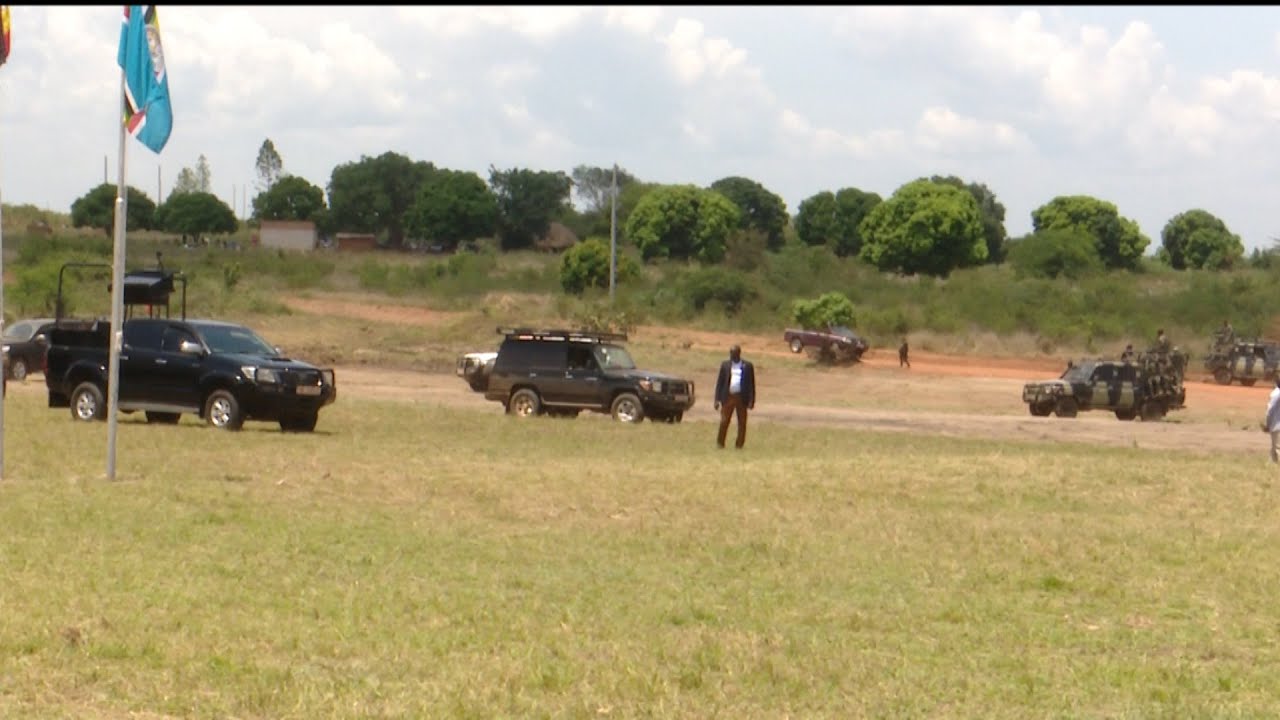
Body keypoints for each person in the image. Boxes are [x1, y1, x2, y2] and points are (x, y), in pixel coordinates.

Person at [714, 344, 756, 449]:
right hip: (728, 397)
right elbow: (720, 383)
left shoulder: (747, 366)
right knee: (724, 421)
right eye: (731, 353)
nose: (732, 355)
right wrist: (717, 399)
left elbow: (751, 384)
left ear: (738, 353)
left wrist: (751, 400)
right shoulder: (725, 365)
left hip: (741, 397)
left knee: (742, 422)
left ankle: (739, 445)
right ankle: (720, 443)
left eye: (734, 353)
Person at [1265, 376, 1280, 464]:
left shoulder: (1275, 394)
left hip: (1276, 425)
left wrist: (1267, 423)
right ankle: (1272, 463)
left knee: (1277, 446)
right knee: (1275, 446)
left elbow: (1269, 410)